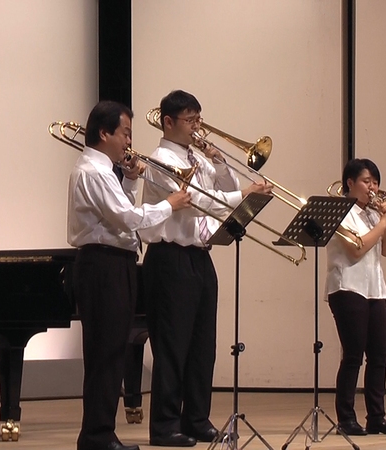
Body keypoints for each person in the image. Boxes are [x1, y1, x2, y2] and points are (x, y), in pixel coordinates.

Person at [139, 90, 272, 447]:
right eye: (190, 120)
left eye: (198, 119)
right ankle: (165, 426)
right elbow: (199, 202)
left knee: (203, 346)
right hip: (169, 258)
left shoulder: (197, 158)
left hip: (199, 256)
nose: (197, 127)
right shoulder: (160, 160)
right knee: (172, 346)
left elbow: (224, 190)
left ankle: (196, 418)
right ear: (169, 122)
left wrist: (221, 162)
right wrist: (244, 194)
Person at [69, 100, 191, 450]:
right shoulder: (94, 171)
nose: (128, 141)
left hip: (114, 262)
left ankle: (100, 433)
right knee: (105, 355)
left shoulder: (104, 171)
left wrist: (132, 179)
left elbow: (119, 211)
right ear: (104, 133)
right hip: (103, 266)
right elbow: (128, 219)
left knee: (111, 352)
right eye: (125, 133)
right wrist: (169, 204)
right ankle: (97, 436)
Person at [325, 158, 386, 436]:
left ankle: (376, 417)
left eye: (376, 182)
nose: (373, 188)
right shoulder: (340, 212)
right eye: (367, 181)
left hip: (375, 289)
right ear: (350, 183)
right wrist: (383, 223)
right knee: (353, 356)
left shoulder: (372, 214)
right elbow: (356, 249)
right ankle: (346, 418)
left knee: (380, 356)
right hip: (347, 288)